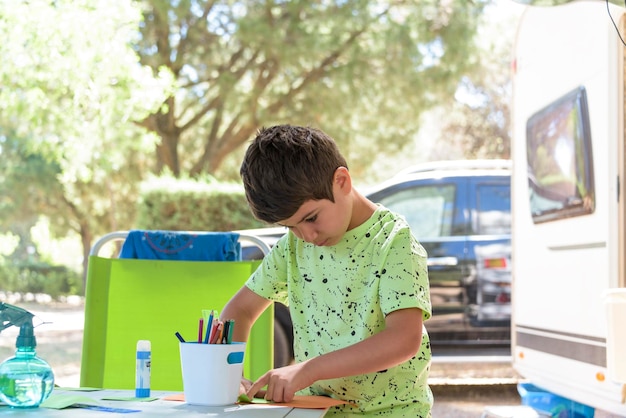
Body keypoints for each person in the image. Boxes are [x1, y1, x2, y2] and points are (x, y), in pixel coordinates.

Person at [221, 124, 433, 417]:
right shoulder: (292, 247)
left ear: (342, 181)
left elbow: (404, 339)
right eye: (290, 226)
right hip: (316, 412)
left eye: (311, 218)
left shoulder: (394, 241)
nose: (306, 236)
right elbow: (240, 310)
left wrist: (309, 370)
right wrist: (231, 376)